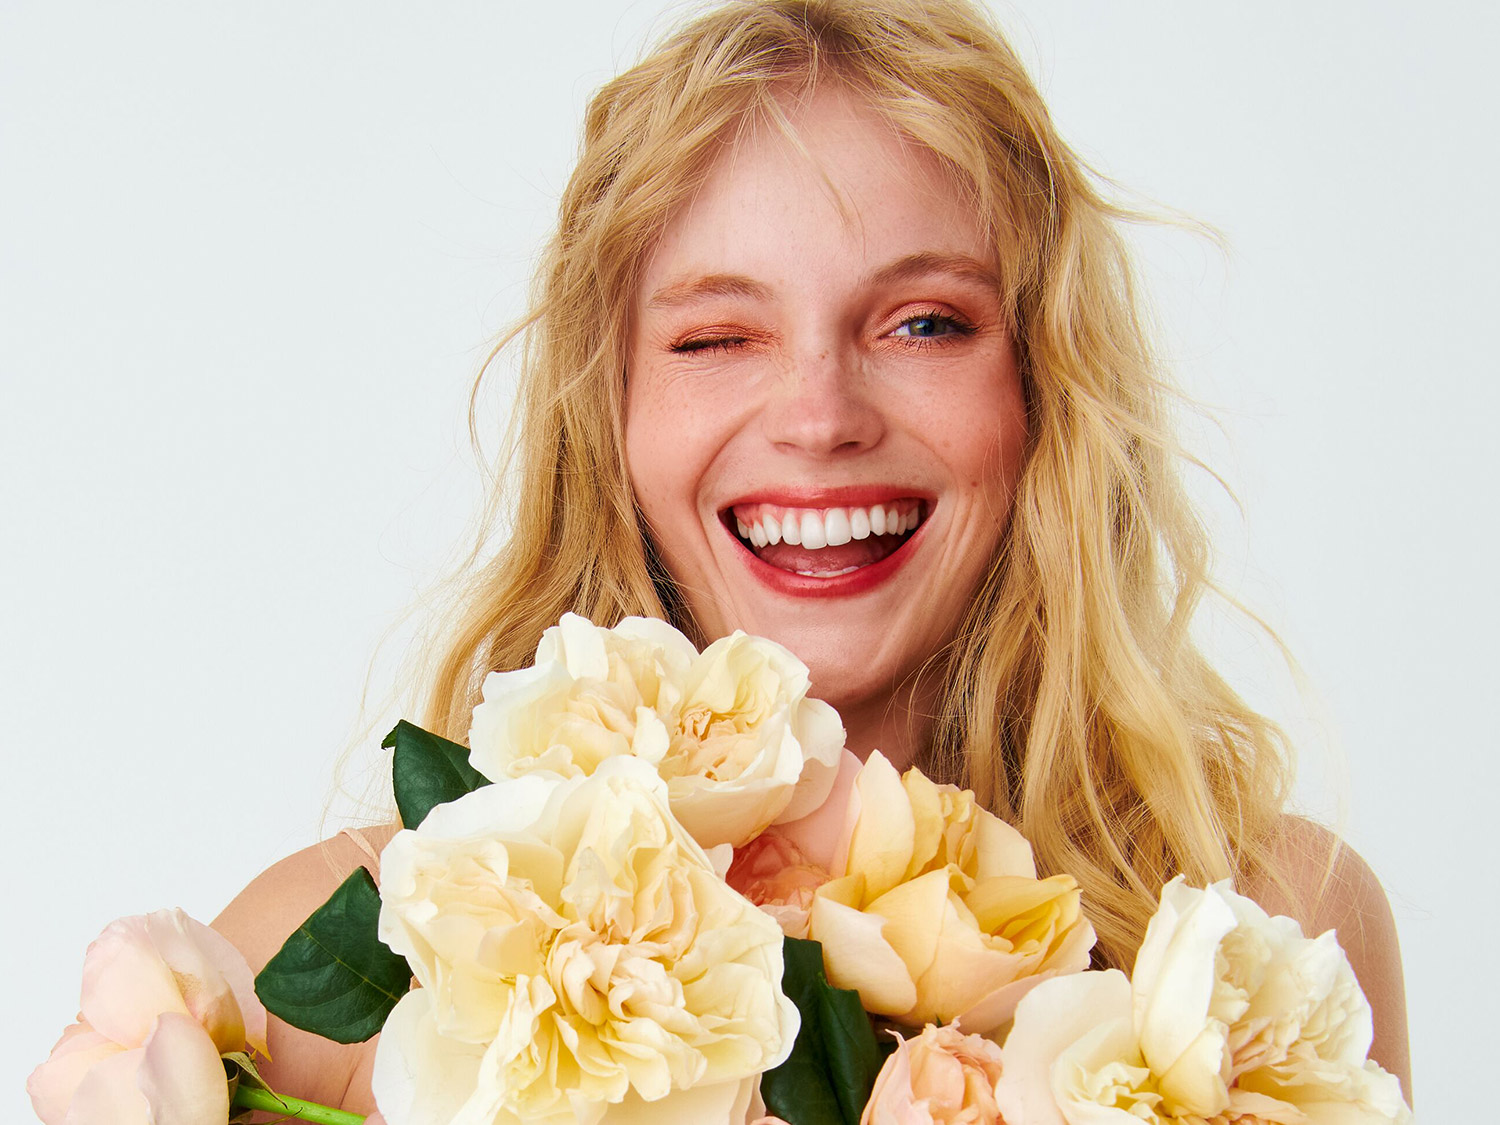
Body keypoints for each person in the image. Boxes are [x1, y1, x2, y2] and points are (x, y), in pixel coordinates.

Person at [213, 0, 1411, 1115]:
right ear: (610, 415)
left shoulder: (1266, 945)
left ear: (1045, 389)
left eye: (924, 323)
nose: (819, 415)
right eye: (719, 335)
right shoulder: (319, 969)